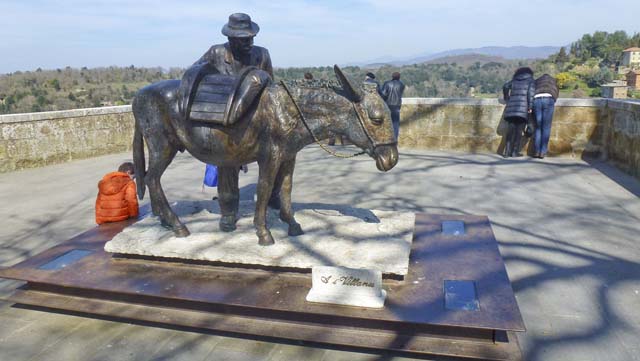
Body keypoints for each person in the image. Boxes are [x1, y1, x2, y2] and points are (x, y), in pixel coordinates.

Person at [179, 13, 273, 126]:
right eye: (244, 40)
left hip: (253, 119)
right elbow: (194, 73)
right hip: (222, 117)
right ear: (231, 39)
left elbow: (271, 89)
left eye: (252, 38)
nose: (250, 43)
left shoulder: (262, 55)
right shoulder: (216, 52)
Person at [502, 67, 535, 158]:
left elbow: (505, 86)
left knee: (510, 131)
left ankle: (507, 152)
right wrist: (530, 107)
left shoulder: (514, 80)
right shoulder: (530, 81)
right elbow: (530, 94)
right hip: (523, 109)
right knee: (518, 131)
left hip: (512, 108)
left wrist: (507, 98)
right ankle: (514, 152)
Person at [532, 74, 559, 159]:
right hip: (548, 99)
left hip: (536, 99)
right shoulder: (553, 80)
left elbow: (532, 90)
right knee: (546, 127)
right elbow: (556, 92)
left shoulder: (537, 81)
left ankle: (536, 151)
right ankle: (542, 152)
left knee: (538, 127)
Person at [381, 72, 405, 140]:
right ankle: (394, 139)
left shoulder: (387, 83)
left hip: (388, 105)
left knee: (386, 123)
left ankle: (386, 138)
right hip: (397, 105)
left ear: (392, 76)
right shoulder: (402, 84)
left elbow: (383, 94)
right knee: (395, 124)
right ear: (399, 77)